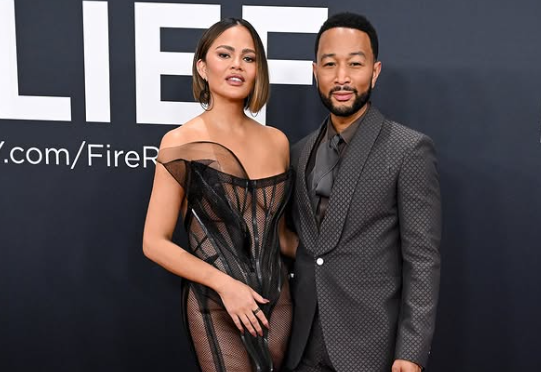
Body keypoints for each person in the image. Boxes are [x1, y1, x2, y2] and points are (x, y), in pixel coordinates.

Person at [284, 12, 441, 372]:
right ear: (314, 71)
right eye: (330, 64)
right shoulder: (298, 152)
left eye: (355, 64)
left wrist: (411, 351)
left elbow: (422, 259)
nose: (341, 78)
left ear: (375, 70)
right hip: (301, 346)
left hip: (373, 350)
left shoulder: (407, 149)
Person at [143, 18, 297, 372]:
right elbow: (154, 242)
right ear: (202, 66)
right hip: (215, 301)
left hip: (278, 301)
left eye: (248, 58)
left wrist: (342, 258)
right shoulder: (180, 142)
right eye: (224, 54)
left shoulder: (278, 141)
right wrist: (226, 286)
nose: (236, 66)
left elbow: (281, 237)